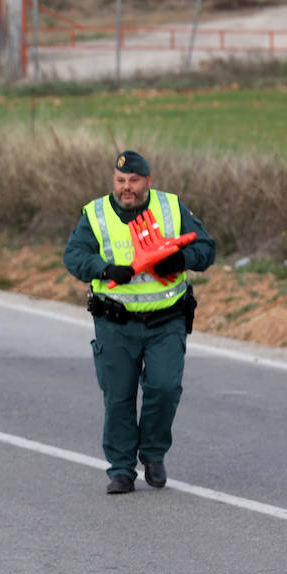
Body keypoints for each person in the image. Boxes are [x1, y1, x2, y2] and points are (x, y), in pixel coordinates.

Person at [63, 150, 216, 494]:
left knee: (164, 388)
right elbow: (73, 257)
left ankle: (153, 454)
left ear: (148, 181)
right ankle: (120, 470)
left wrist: (179, 259)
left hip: (167, 319)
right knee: (118, 397)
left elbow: (207, 249)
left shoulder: (172, 207)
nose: (126, 188)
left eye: (133, 181)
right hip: (115, 322)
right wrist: (103, 269)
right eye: (120, 181)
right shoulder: (96, 213)